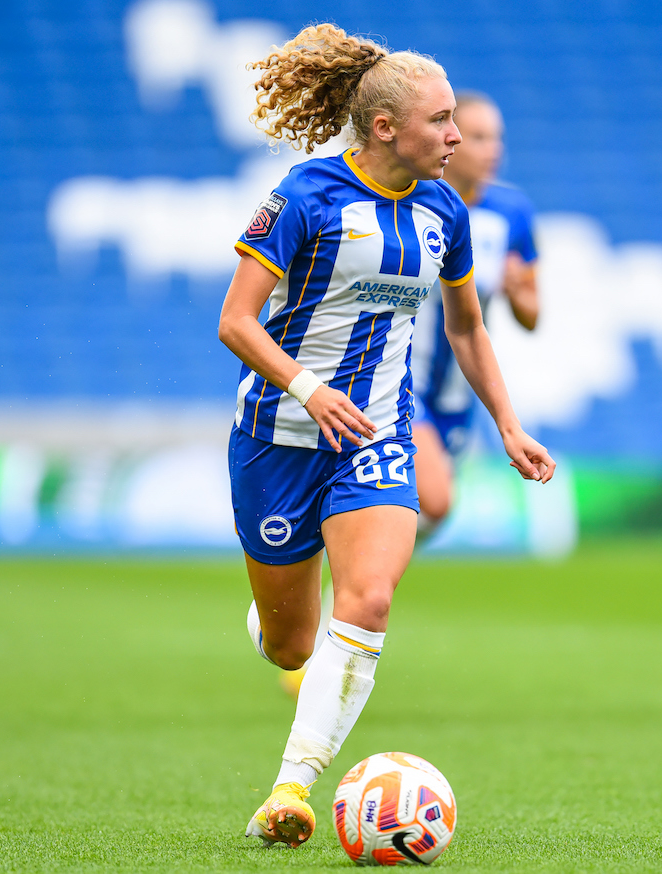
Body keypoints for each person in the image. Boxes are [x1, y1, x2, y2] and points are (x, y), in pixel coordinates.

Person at [218, 24, 555, 849]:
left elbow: (470, 330)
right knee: (290, 640)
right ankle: (279, 626)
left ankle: (291, 789)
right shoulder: (305, 198)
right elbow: (236, 321)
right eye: (442, 122)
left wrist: (508, 424)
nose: (456, 138)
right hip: (277, 436)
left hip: (379, 436)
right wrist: (307, 387)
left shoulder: (445, 210)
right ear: (384, 129)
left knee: (368, 596)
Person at [411, 91, 541, 533]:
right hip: (402, 380)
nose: (493, 149)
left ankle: (342, 587)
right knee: (436, 500)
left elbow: (532, 314)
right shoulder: (415, 202)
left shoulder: (512, 212)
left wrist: (515, 289)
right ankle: (335, 584)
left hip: (459, 392)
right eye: (479, 137)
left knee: (428, 514)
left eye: (497, 137)